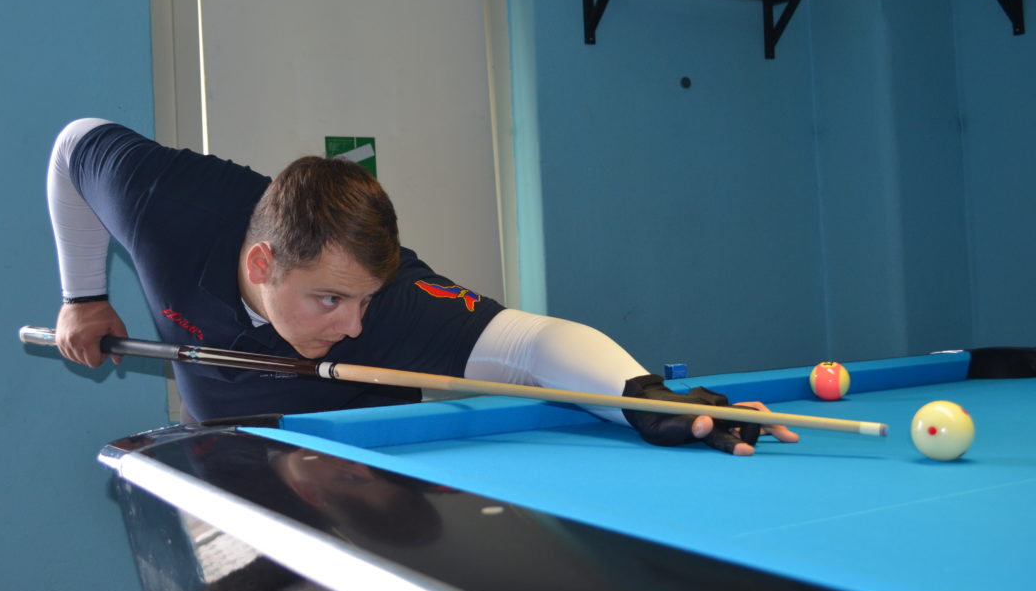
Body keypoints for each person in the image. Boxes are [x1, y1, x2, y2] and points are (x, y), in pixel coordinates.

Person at [48, 118, 798, 455]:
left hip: (361, 478)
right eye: (329, 300)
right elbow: (72, 145)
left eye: (364, 299)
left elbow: (534, 344)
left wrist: (643, 398)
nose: (352, 324)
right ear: (261, 265)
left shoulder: (390, 304)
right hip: (227, 448)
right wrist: (82, 297)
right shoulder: (167, 205)